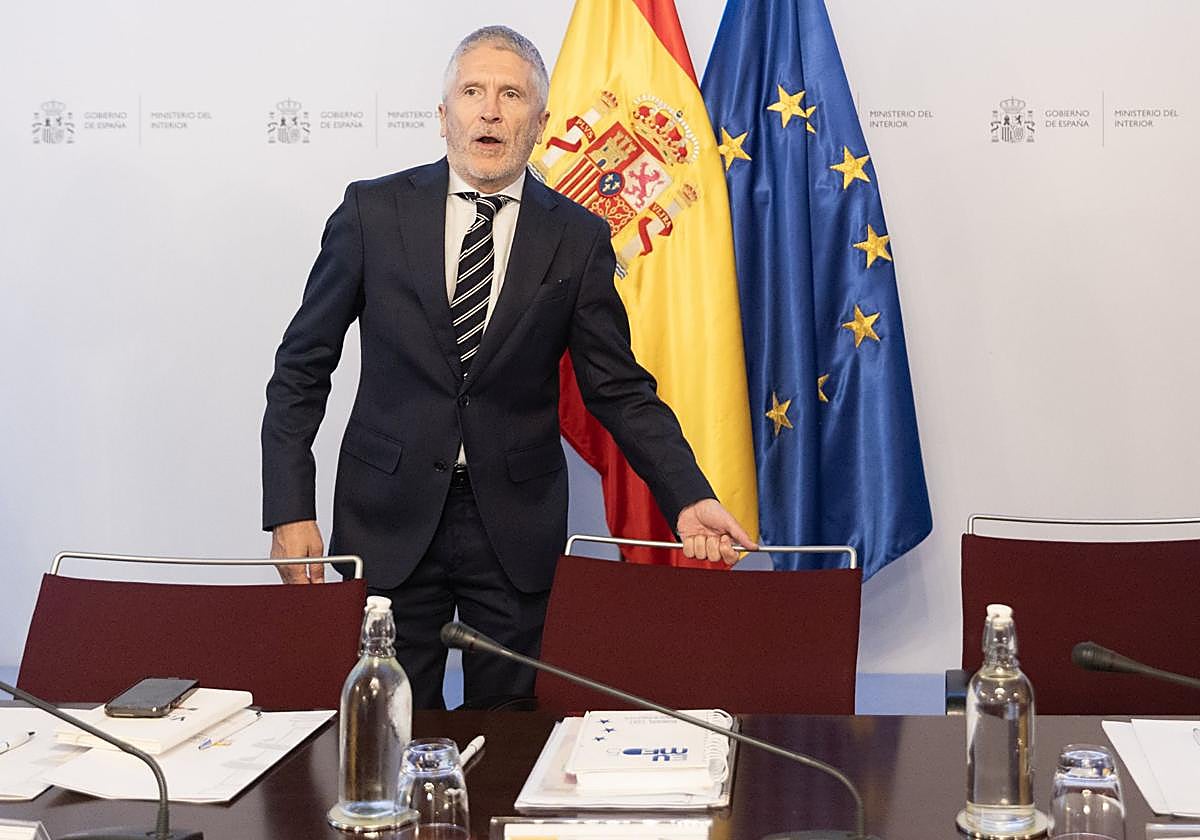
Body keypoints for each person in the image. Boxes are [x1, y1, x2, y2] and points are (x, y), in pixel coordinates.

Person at [262, 25, 755, 709]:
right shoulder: (372, 212)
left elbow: (618, 389)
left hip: (514, 528)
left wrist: (687, 496)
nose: (490, 110)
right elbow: (301, 368)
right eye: (472, 92)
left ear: (540, 123)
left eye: (510, 95)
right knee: (390, 731)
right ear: (444, 117)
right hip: (387, 520)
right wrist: (288, 508)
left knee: (515, 743)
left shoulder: (578, 238)